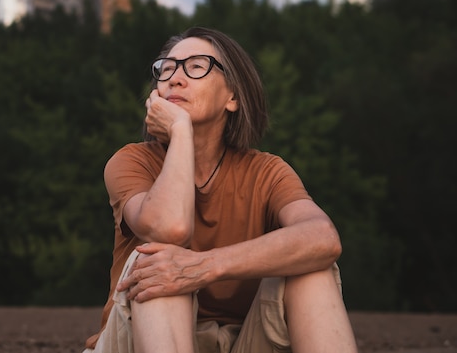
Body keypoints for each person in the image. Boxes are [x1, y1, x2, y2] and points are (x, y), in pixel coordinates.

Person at [84, 27, 358, 353]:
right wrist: (181, 132)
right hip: (137, 342)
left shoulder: (266, 171)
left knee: (310, 266)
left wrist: (204, 268)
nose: (175, 78)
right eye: (166, 68)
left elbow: (323, 238)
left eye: (196, 67)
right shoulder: (131, 161)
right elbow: (169, 228)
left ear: (233, 98)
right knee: (161, 262)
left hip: (243, 342)